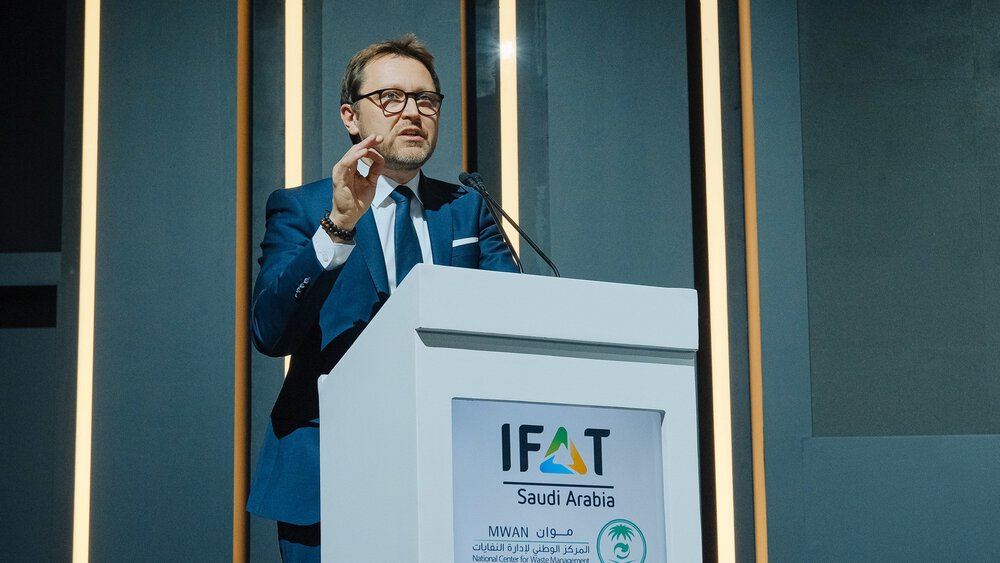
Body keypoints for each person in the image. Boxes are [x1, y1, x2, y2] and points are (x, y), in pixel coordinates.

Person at [246, 34, 518, 562]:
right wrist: (339, 226)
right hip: (329, 470)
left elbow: (514, 320)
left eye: (426, 99)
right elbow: (270, 333)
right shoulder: (302, 208)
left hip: (456, 469)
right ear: (351, 117)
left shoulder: (467, 207)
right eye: (391, 98)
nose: (412, 112)